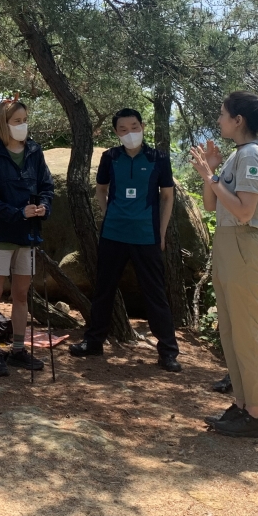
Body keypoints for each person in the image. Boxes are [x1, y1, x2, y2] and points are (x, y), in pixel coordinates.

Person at [189, 91, 258, 440]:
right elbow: (211, 205)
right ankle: (243, 405)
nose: (218, 120)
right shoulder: (239, 154)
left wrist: (212, 176)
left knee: (246, 333)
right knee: (231, 331)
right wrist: (211, 173)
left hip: (244, 244)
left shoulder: (252, 155)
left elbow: (245, 211)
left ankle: (256, 415)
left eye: (223, 115)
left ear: (238, 120)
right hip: (228, 243)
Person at [69, 108, 181, 372]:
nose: (130, 133)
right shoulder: (110, 157)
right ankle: (93, 342)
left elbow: (167, 196)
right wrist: (109, 214)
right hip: (113, 234)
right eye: (123, 129)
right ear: (116, 132)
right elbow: (101, 190)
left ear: (142, 126)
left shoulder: (158, 158)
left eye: (134, 127)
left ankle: (168, 352)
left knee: (155, 294)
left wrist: (161, 232)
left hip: (146, 236)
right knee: (103, 290)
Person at [0, 99, 53, 376]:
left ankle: (18, 350)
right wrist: (17, 213)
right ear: (4, 124)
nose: (23, 125)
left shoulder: (35, 151)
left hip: (28, 235)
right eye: (17, 121)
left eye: (25, 120)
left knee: (21, 294)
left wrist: (43, 207)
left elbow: (47, 187)